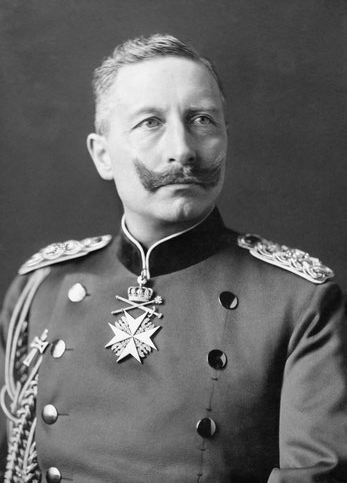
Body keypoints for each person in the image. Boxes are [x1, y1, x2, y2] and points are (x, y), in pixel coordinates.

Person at [0, 34, 346, 483]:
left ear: (225, 138)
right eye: (150, 123)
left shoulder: (299, 300)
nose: (182, 149)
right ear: (102, 155)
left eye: (202, 120)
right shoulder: (39, 287)